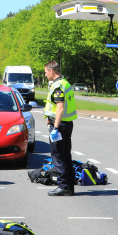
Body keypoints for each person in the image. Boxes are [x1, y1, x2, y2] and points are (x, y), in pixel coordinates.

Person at [43, 61, 77, 196]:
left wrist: (55, 127)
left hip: (60, 126)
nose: (45, 75)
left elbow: (60, 108)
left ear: (52, 71)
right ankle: (69, 186)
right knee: (66, 156)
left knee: (58, 156)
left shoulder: (57, 86)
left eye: (46, 72)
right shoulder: (65, 83)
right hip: (67, 124)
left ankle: (63, 186)